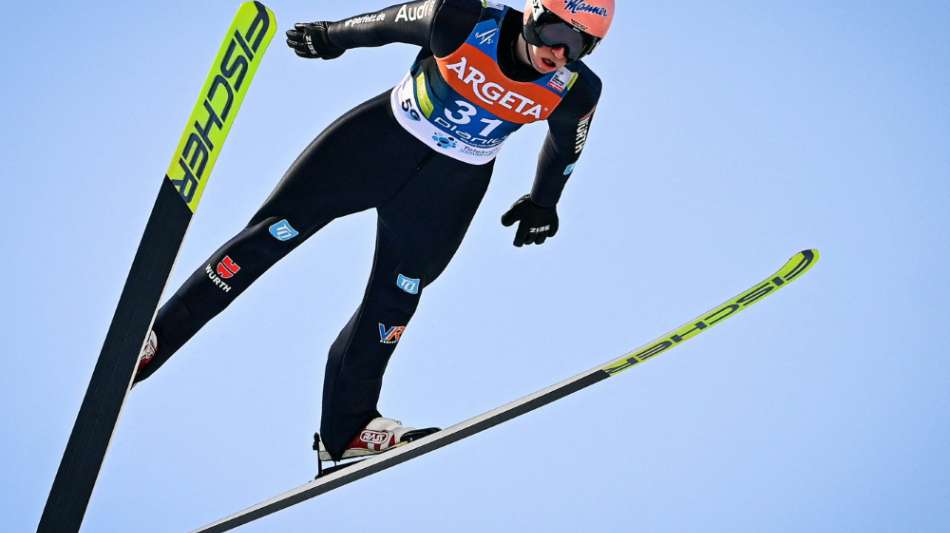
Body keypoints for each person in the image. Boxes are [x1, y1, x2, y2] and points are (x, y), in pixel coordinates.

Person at [134, 0, 614, 463]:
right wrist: (331, 37)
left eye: (581, 45)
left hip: (450, 188)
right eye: (557, 34)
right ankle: (154, 339)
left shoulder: (575, 87)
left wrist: (543, 202)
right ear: (534, 15)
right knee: (272, 233)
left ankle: (347, 431)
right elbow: (385, 24)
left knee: (398, 296)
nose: (561, 53)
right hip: (376, 145)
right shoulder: (464, 18)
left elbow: (567, 145)